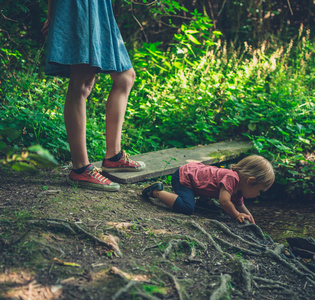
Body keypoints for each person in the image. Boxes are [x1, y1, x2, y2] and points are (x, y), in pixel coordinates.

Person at [41, 0, 145, 192]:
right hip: (78, 5)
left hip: (100, 6)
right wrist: (52, 13)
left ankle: (113, 156)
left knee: (125, 77)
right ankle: (80, 168)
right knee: (82, 83)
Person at [142, 155, 275, 223]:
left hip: (196, 180)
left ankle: (203, 201)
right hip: (185, 177)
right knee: (187, 207)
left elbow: (240, 205)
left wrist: (249, 218)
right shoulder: (232, 178)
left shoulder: (239, 188)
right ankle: (156, 191)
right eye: (259, 191)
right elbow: (224, 201)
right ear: (250, 181)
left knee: (209, 197)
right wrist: (236, 215)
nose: (257, 194)